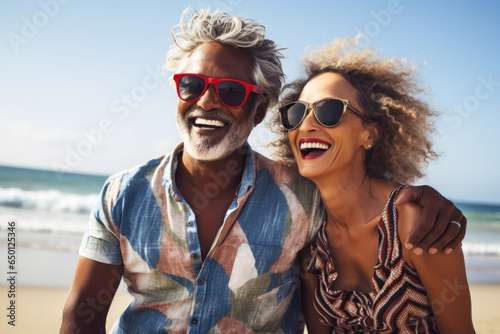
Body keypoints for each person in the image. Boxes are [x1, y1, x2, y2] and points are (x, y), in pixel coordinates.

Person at [60, 8, 467, 334]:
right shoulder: (121, 193)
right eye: (191, 85)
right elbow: (81, 311)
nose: (206, 101)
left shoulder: (304, 201)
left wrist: (428, 201)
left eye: (232, 91)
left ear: (258, 111)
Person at [271, 37, 475, 333]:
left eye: (328, 111)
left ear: (370, 134)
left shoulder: (414, 223)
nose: (306, 125)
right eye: (297, 112)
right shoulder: (310, 236)